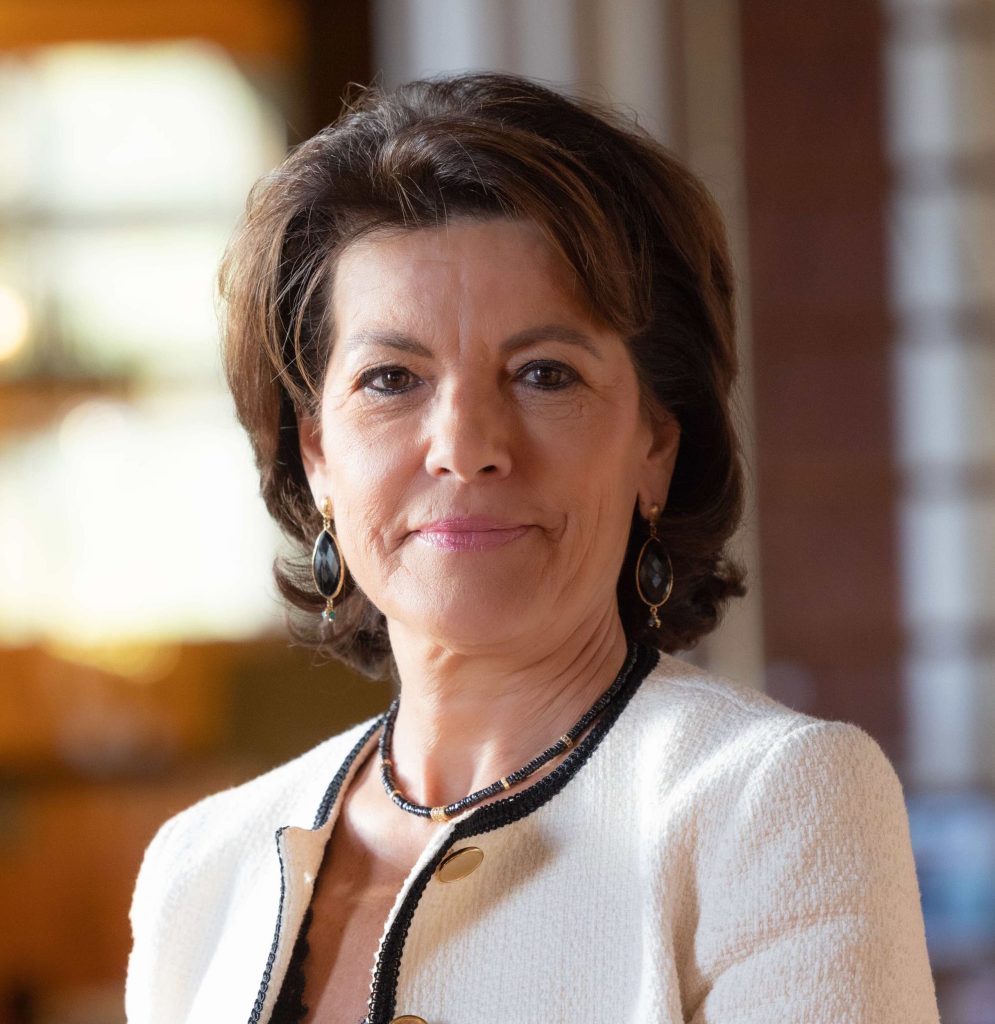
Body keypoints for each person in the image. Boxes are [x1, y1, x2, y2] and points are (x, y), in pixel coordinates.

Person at [124, 72, 940, 1024]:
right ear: (316, 457)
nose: (466, 446)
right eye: (391, 379)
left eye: (544, 374)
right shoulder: (199, 873)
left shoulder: (772, 803)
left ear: (654, 447)